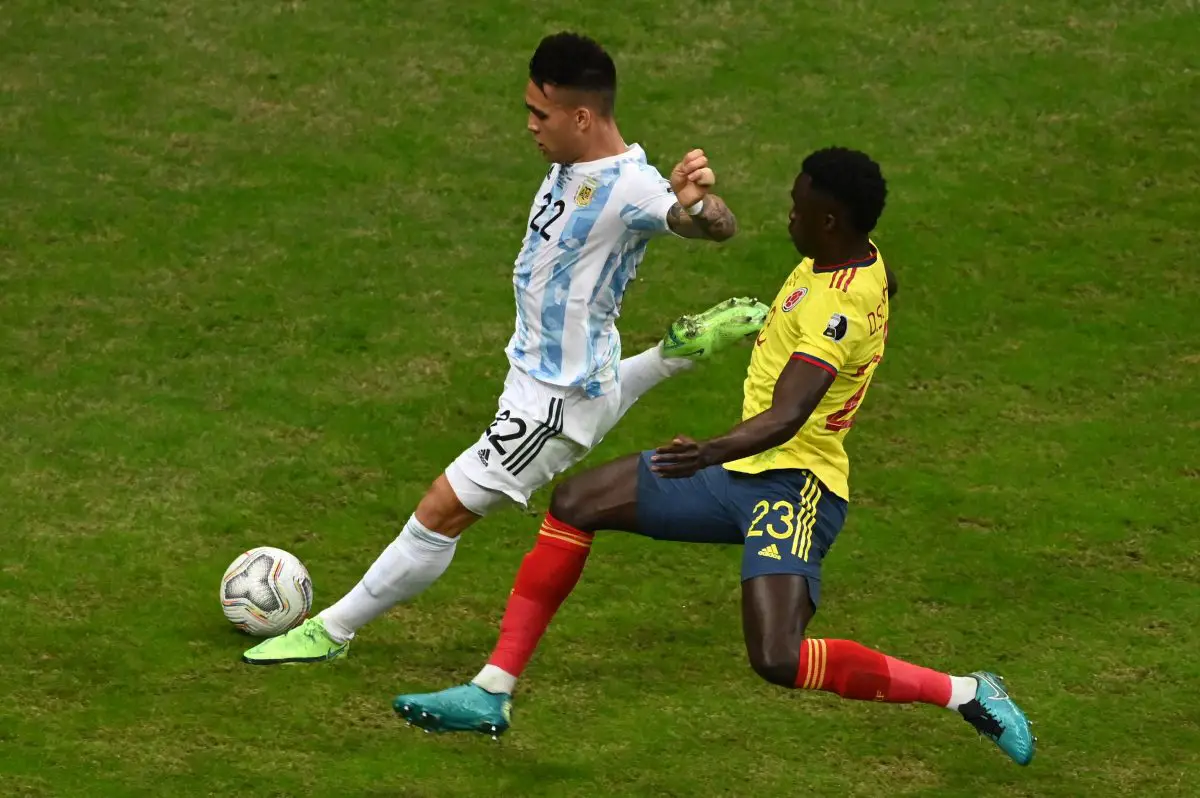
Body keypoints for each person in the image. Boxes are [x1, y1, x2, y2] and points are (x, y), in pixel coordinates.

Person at [393, 147, 1037, 767]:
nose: (789, 215)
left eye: (798, 207)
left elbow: (788, 418)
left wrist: (705, 453)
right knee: (576, 502)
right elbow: (881, 280)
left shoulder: (833, 310)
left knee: (777, 658)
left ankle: (968, 693)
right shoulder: (856, 259)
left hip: (794, 486)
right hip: (739, 470)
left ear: (831, 220)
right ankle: (492, 690)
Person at [242, 32, 766, 666]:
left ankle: (332, 631)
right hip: (551, 376)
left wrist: (701, 204)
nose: (529, 126)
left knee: (443, 509)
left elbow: (708, 226)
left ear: (580, 116)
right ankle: (675, 354)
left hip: (552, 406)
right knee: (590, 396)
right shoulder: (575, 167)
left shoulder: (631, 187)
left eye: (539, 114)